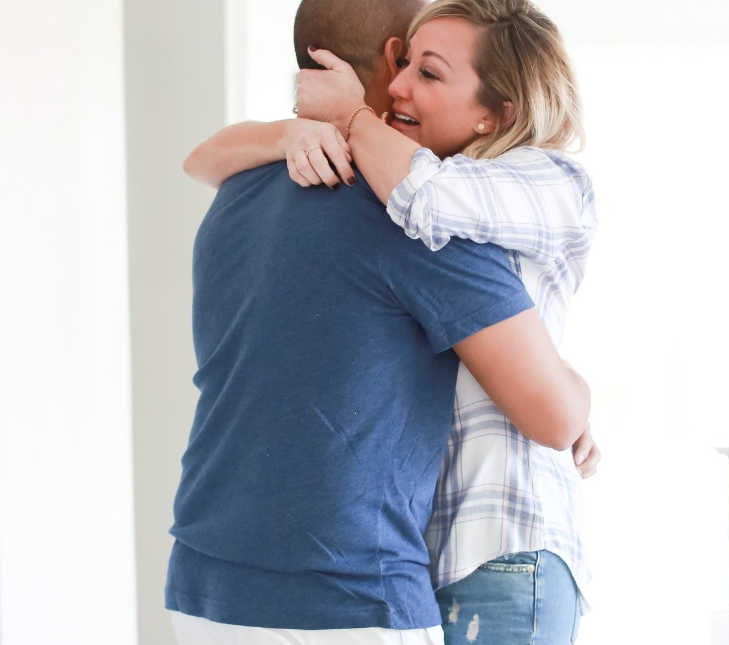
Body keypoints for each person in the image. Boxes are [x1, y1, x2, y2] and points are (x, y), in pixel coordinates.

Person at [167, 1, 592, 644]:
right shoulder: (417, 217)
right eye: (415, 64)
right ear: (395, 56)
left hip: (204, 585)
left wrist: (289, 132)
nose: (406, 88)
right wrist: (580, 395)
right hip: (347, 594)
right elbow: (555, 416)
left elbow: (200, 159)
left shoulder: (236, 194)